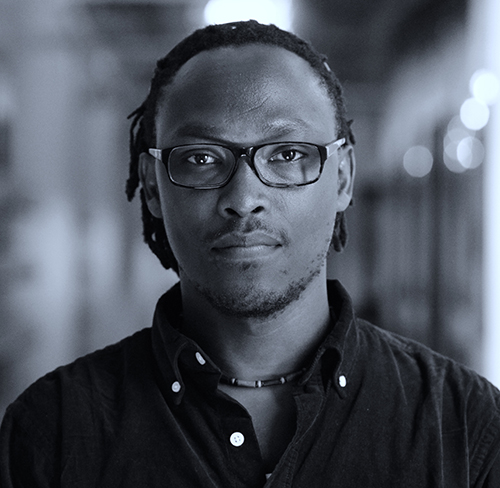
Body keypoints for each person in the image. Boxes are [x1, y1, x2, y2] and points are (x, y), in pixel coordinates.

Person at [1, 20, 499, 487]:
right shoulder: (52, 433)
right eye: (201, 158)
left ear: (343, 178)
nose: (243, 198)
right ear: (152, 187)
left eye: (287, 155)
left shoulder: (465, 427)